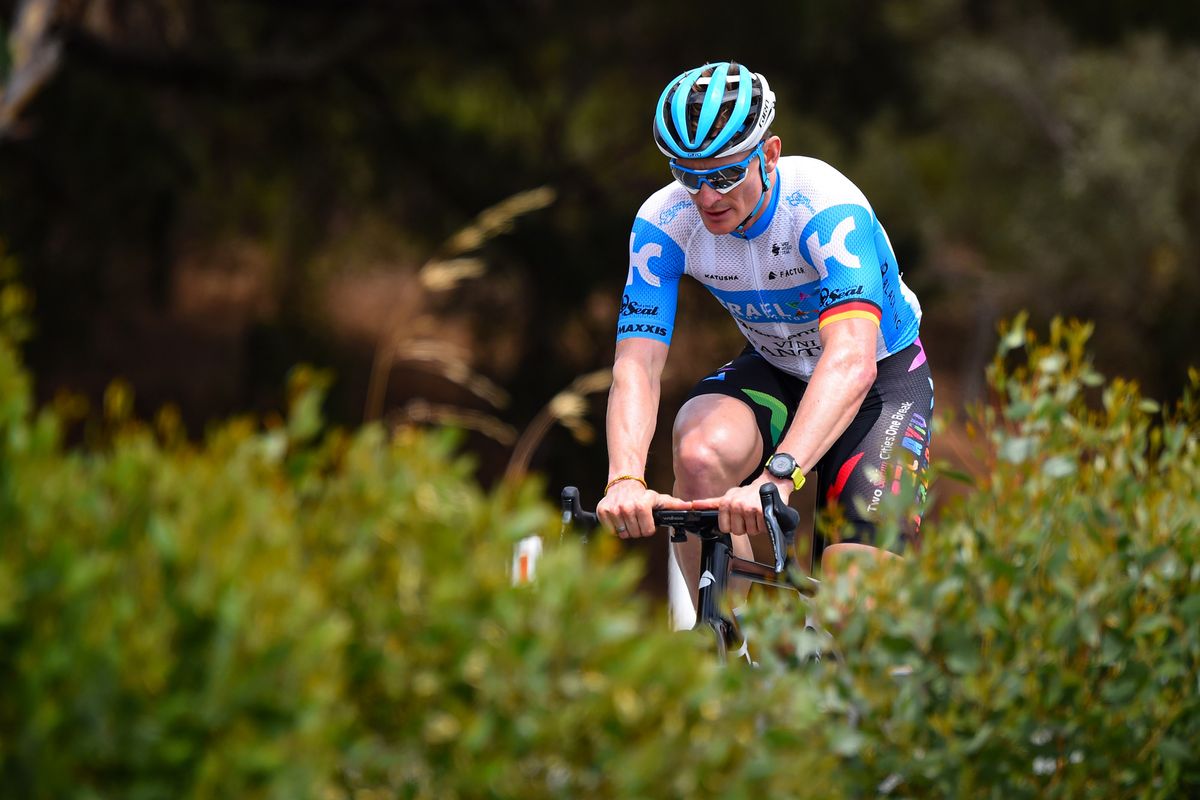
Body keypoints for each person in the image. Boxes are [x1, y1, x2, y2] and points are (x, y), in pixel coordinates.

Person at [595, 61, 934, 629]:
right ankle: (732, 649)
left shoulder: (824, 207)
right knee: (701, 454)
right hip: (778, 367)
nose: (706, 197)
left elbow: (850, 362)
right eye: (687, 175)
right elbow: (637, 365)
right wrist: (625, 476)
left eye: (725, 176)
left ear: (769, 153)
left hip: (879, 376)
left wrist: (776, 478)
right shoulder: (663, 221)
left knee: (855, 614)